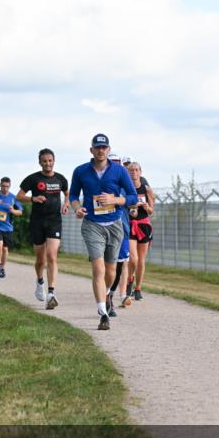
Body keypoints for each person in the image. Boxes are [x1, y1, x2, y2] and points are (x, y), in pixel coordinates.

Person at [68, 134, 137, 330]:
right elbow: (73, 194)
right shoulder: (81, 171)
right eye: (97, 147)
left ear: (108, 149)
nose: (101, 150)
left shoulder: (119, 171)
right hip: (92, 224)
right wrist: (76, 208)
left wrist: (115, 200)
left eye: (104, 147)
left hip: (114, 224)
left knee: (111, 270)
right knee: (98, 269)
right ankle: (103, 312)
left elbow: (132, 197)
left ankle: (106, 294)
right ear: (91, 150)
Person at [18, 148, 70, 309]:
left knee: (51, 256)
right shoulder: (33, 179)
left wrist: (66, 203)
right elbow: (18, 196)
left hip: (54, 220)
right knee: (40, 260)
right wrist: (33, 198)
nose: (48, 163)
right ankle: (40, 280)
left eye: (50, 160)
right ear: (40, 162)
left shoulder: (61, 178)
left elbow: (68, 193)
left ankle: (51, 293)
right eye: (44, 161)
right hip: (37, 221)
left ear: (54, 161)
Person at [105, 152, 132, 316]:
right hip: (103, 229)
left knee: (120, 266)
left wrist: (132, 205)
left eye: (117, 163)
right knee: (105, 268)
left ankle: (111, 295)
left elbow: (132, 198)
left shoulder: (125, 182)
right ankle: (106, 300)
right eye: (111, 163)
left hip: (122, 230)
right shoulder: (100, 182)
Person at [126, 160, 155, 301]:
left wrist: (145, 206)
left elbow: (151, 210)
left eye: (136, 170)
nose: (134, 172)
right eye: (131, 170)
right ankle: (129, 279)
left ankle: (138, 288)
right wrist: (134, 208)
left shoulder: (146, 188)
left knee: (141, 260)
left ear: (140, 172)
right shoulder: (126, 189)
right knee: (133, 258)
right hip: (131, 224)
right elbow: (129, 210)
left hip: (144, 225)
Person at [0, 177, 23, 278]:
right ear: (0, 185)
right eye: (3, 186)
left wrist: (13, 211)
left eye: (7, 186)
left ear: (10, 186)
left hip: (8, 227)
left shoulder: (13, 198)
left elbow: (20, 212)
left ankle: (2, 267)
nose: (5, 188)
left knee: (5, 249)